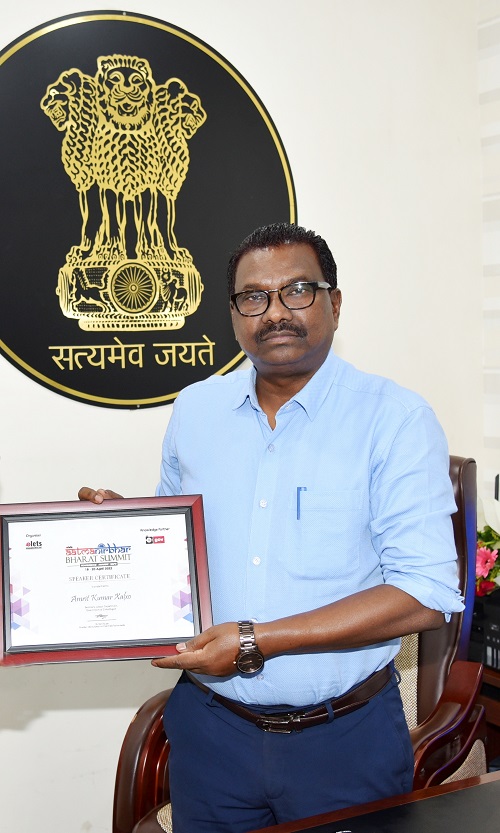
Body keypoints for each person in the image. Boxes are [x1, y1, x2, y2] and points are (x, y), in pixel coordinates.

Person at [80, 223, 463, 833]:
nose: (276, 312)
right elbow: (178, 549)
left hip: (343, 741)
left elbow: (425, 593)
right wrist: (121, 532)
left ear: (335, 303)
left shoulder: (395, 420)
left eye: (298, 291)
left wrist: (257, 640)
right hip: (211, 732)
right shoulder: (196, 410)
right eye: (254, 297)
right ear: (234, 315)